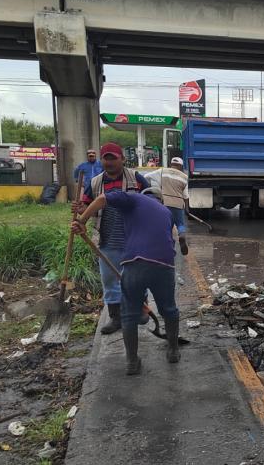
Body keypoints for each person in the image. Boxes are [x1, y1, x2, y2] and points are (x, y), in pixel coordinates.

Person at [72, 187, 180, 375]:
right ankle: (173, 351)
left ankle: (132, 362)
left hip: (134, 263)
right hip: (164, 264)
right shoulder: (167, 212)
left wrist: (81, 221)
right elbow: (169, 241)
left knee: (129, 314)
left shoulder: (133, 198)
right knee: (169, 309)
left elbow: (102, 198)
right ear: (160, 200)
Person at [73, 142, 149, 335]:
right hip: (107, 237)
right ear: (102, 161)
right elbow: (87, 207)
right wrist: (80, 210)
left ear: (122, 159)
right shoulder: (95, 183)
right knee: (109, 280)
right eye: (106, 159)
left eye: (113, 158)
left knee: (137, 276)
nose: (109, 162)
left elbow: (152, 201)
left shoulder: (136, 178)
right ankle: (116, 317)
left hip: (134, 236)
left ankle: (140, 308)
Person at [154, 157, 189, 256]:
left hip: (165, 203)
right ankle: (181, 236)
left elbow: (147, 176)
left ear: (171, 164)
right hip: (178, 204)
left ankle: (169, 248)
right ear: (181, 166)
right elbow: (186, 195)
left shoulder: (162, 171)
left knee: (167, 227)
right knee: (180, 224)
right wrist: (187, 209)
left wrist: (157, 188)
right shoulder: (184, 177)